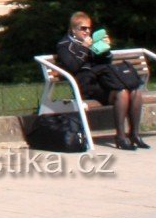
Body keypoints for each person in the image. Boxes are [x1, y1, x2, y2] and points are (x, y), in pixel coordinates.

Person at [55, 12, 148, 150]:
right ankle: (120, 137)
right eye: (83, 28)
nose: (87, 32)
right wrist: (84, 48)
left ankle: (134, 134)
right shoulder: (64, 45)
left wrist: (104, 49)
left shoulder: (91, 42)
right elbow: (72, 67)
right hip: (85, 85)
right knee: (121, 93)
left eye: (89, 28)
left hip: (102, 80)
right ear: (73, 30)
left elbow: (105, 62)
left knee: (135, 92)